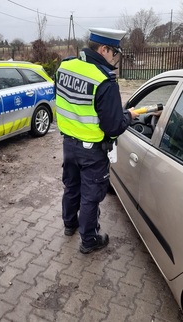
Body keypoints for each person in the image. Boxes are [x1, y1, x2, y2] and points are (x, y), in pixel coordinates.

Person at [55, 27, 139, 254]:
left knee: (71, 187)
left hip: (68, 145)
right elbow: (113, 127)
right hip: (92, 151)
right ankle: (89, 240)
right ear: (103, 49)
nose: (115, 58)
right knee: (90, 197)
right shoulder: (105, 81)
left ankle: (69, 225)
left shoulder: (65, 67)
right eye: (114, 53)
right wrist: (129, 116)